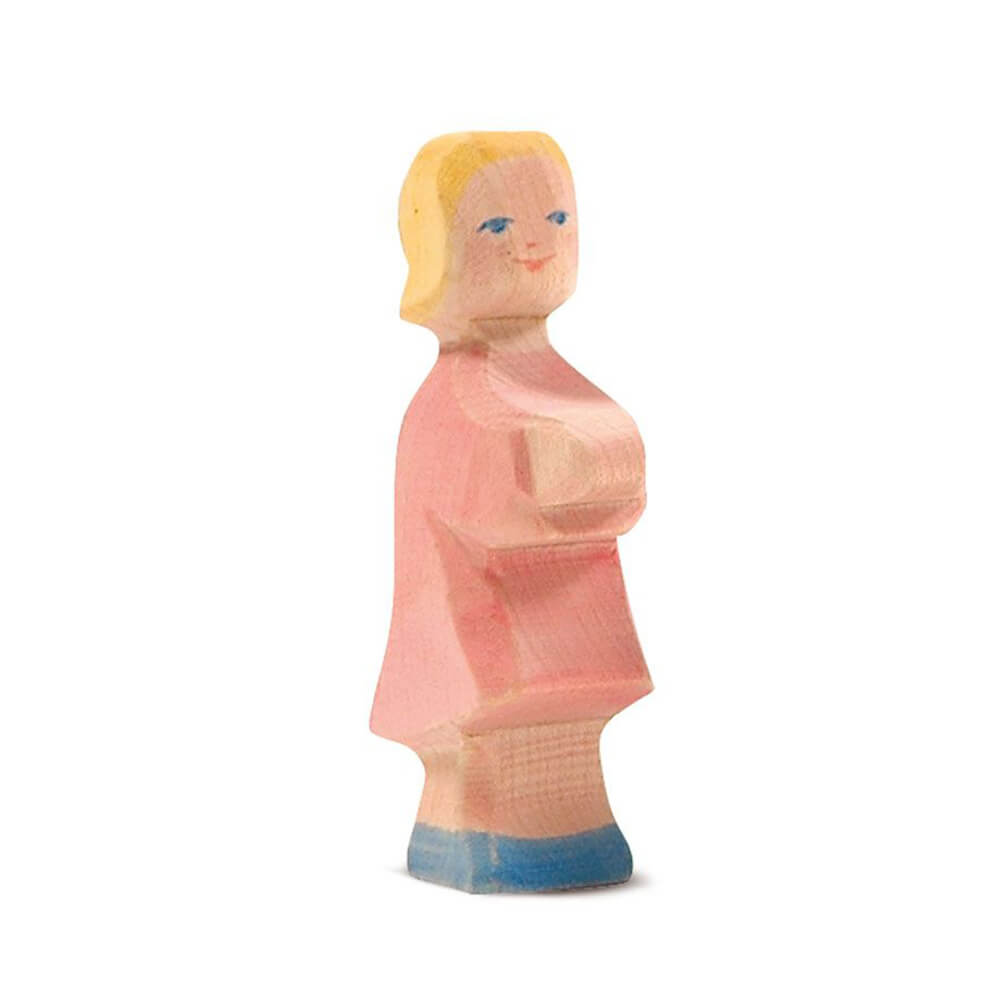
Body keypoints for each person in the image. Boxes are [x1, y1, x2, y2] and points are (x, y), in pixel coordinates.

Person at [371, 132, 652, 892]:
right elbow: (490, 494)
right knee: (491, 753)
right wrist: (560, 467)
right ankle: (471, 840)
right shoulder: (451, 398)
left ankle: (575, 836)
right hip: (483, 631)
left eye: (556, 220)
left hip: (563, 627)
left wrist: (587, 468)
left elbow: (620, 482)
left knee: (563, 740)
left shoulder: (551, 379)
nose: (535, 242)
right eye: (496, 226)